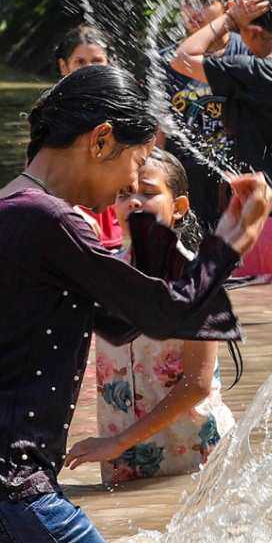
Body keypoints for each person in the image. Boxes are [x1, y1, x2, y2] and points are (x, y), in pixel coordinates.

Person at [0, 65, 272, 543]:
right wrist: (235, 237)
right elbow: (169, 314)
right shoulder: (49, 219)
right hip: (1, 494)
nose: (131, 183)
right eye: (136, 161)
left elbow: (121, 325)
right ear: (101, 140)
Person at [66, 148, 236, 485]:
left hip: (194, 457)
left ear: (179, 208)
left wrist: (118, 442)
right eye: (124, 193)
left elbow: (196, 384)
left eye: (149, 192)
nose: (134, 202)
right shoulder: (104, 274)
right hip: (122, 457)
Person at [172, 0, 272, 285]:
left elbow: (183, 57)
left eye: (243, 32)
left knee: (262, 310)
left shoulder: (253, 72)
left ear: (252, 32)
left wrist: (229, 19)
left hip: (267, 215)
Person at [52, 25, 123, 248]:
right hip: (70, 214)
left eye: (97, 61)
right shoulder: (52, 111)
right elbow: (37, 172)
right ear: (64, 67)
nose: (89, 69)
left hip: (114, 219)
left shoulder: (122, 108)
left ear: (109, 63)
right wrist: (70, 212)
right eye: (80, 62)